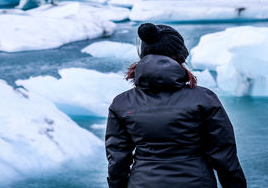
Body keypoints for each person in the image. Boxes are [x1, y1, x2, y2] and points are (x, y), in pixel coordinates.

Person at [105, 23, 246, 188]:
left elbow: (117, 162)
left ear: (143, 54)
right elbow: (224, 156)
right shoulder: (204, 98)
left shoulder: (122, 103)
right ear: (180, 57)